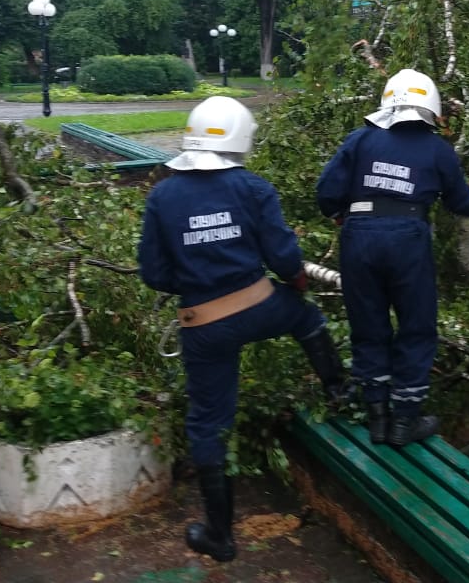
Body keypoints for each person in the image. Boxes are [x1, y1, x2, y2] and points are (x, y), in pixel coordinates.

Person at [138, 95, 347, 563]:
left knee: (208, 424)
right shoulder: (253, 188)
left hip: (204, 325)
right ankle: (339, 391)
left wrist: (194, 281)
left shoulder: (163, 195)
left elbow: (153, 273)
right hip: (260, 307)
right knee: (306, 316)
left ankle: (219, 536)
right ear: (240, 140)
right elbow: (284, 259)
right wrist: (291, 280)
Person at [316, 68, 469, 447]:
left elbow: (327, 191)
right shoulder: (437, 150)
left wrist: (340, 211)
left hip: (359, 236)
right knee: (415, 326)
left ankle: (377, 418)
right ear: (430, 108)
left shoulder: (360, 139)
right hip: (407, 239)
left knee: (368, 325)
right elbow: (462, 202)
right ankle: (404, 421)